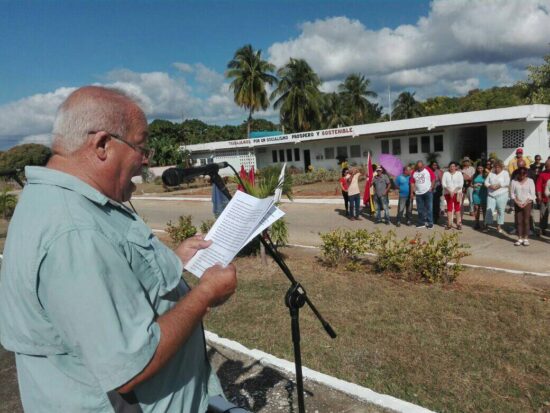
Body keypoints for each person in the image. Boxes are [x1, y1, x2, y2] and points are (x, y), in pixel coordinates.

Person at [0, 86, 238, 412]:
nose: (146, 159)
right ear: (101, 145)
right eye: (140, 146)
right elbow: (131, 365)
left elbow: (111, 275)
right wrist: (204, 295)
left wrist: (172, 260)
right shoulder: (75, 232)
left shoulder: (66, 203)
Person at [510, 167, 536, 246]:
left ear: (526, 174)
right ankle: (519, 238)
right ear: (518, 174)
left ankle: (526, 238)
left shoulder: (530, 181)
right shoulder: (514, 181)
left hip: (527, 203)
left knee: (526, 221)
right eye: (520, 175)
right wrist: (517, 202)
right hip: (517, 203)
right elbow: (512, 193)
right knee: (518, 221)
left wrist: (525, 203)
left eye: (523, 175)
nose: (522, 176)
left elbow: (532, 194)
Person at [484, 160, 510, 233]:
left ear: (501, 167)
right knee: (489, 210)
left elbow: (507, 182)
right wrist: (490, 186)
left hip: (502, 194)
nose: (497, 169)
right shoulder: (491, 173)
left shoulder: (505, 173)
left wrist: (499, 185)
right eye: (495, 167)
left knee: (500, 210)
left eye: (498, 167)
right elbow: (486, 182)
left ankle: (499, 226)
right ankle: (487, 225)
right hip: (491, 195)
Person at [410, 160, 435, 229]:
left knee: (429, 208)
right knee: (420, 209)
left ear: (423, 165)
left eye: (421, 167)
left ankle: (430, 223)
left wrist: (431, 187)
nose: (420, 168)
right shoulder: (414, 172)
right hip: (418, 193)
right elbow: (412, 183)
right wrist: (412, 192)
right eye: (418, 167)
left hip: (427, 192)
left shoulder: (428, 170)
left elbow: (433, 178)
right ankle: (421, 223)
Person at [442, 161, 464, 230]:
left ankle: (458, 223)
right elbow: (443, 184)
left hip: (457, 193)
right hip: (448, 193)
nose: (452, 168)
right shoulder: (445, 174)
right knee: (449, 208)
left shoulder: (459, 173)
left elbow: (461, 184)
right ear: (449, 167)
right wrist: (449, 191)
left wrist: (454, 191)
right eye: (451, 166)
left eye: (454, 166)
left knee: (457, 208)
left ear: (456, 167)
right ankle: (449, 223)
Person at [535, 159, 550, 236]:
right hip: (545, 198)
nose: (547, 167)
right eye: (546, 166)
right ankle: (542, 229)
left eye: (548, 166)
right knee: (543, 214)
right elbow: (538, 186)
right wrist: (539, 196)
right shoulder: (542, 174)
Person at [472, 163, 488, 230]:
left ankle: (485, 224)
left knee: (484, 209)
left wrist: (482, 185)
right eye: (478, 168)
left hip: (483, 193)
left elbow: (488, 184)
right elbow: (471, 184)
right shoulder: (474, 175)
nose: (480, 169)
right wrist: (474, 185)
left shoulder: (486, 175)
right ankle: (477, 223)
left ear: (483, 168)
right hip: (476, 193)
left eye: (481, 168)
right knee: (476, 208)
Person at [430, 161, 444, 225]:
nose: (434, 166)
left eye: (436, 165)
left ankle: (436, 218)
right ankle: (431, 218)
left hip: (436, 191)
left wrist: (441, 190)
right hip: (429, 191)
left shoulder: (439, 172)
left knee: (436, 205)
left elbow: (441, 182)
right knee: (431, 205)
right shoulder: (429, 171)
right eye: (433, 165)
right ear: (431, 165)